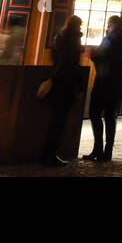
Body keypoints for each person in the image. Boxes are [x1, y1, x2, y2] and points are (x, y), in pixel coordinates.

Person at [42, 15, 85, 165]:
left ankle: (47, 153)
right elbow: (73, 64)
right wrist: (80, 86)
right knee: (60, 120)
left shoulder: (59, 37)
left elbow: (55, 57)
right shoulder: (74, 39)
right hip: (67, 83)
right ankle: (51, 154)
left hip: (57, 80)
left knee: (55, 119)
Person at [85, 15, 122, 162]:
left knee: (96, 114)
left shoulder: (111, 39)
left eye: (110, 24)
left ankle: (99, 149)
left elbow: (104, 56)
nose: (108, 27)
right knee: (109, 118)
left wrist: (95, 54)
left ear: (113, 26)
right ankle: (105, 151)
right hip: (115, 85)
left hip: (105, 83)